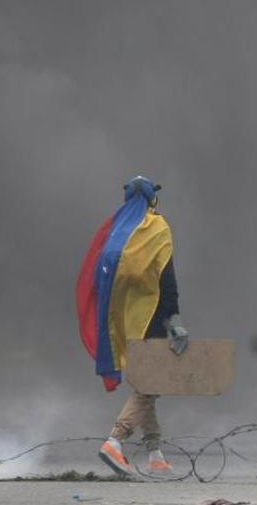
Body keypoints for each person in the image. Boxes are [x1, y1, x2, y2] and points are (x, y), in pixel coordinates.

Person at [75, 176, 189, 477]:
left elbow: (99, 281)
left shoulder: (115, 233)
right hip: (151, 319)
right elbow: (166, 279)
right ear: (152, 199)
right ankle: (116, 440)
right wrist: (174, 320)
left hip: (122, 323)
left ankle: (155, 455)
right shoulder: (157, 228)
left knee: (147, 385)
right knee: (149, 384)